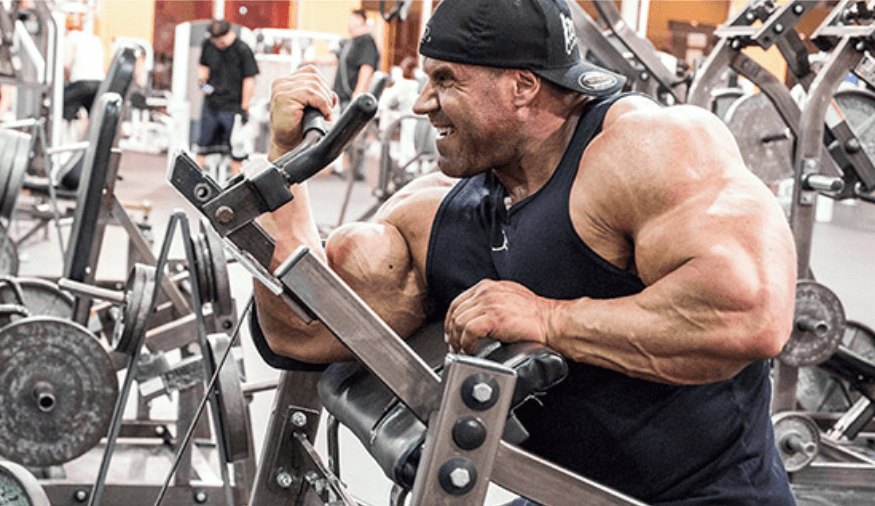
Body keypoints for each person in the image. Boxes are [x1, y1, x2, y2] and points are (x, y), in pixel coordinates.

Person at [252, 0, 799, 504]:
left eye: (446, 80)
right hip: (560, 494)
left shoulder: (647, 149)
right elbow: (299, 331)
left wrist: (549, 318)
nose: (422, 103)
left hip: (709, 496)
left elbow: (750, 316)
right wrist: (285, 167)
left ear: (522, 86)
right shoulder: (439, 210)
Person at [195, 19, 259, 177]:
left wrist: (245, 106)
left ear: (230, 33)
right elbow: (203, 67)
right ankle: (193, 181)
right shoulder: (208, 45)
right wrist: (203, 85)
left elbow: (249, 80)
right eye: (215, 40)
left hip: (233, 107)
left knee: (236, 150)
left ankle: (236, 183)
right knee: (202, 147)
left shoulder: (242, 50)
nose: (218, 42)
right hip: (212, 105)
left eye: (221, 39)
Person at [331, 9, 380, 180]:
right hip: (342, 96)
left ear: (360, 20)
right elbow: (335, 59)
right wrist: (310, 61)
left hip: (352, 96)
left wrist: (358, 95)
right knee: (342, 133)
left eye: (351, 18)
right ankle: (347, 167)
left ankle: (356, 171)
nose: (348, 22)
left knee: (352, 133)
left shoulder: (366, 42)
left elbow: (366, 68)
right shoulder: (350, 42)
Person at [62, 13, 105, 134]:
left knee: (62, 107)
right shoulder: (95, 38)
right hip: (99, 82)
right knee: (94, 115)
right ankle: (90, 142)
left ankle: (66, 140)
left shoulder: (71, 37)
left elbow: (66, 63)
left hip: (81, 82)